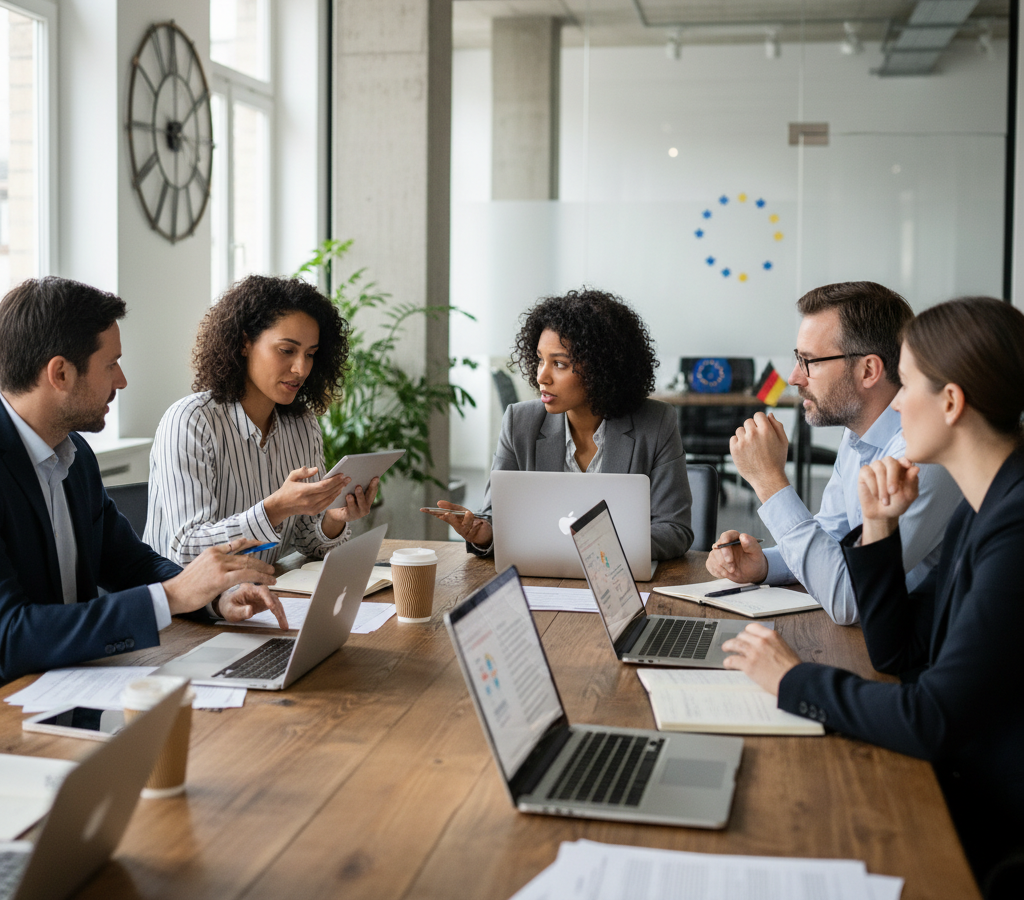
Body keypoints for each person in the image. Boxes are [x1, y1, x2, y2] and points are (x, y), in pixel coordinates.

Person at [721, 296, 1024, 889]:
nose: (897, 403)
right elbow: (900, 651)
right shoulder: (982, 504)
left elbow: (932, 716)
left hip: (989, 819)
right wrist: (880, 530)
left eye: (906, 384)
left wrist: (793, 681)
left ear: (952, 403)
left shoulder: (1013, 528)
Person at [0, 277, 286, 684]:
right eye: (111, 364)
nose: (121, 381)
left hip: (75, 686)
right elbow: (9, 636)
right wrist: (172, 596)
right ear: (60, 373)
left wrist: (214, 597)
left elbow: (131, 564)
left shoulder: (74, 455)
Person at [707, 281, 962, 624]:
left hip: (920, 651)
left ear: (868, 370)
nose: (795, 377)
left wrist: (770, 482)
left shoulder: (922, 456)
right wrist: (765, 564)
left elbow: (850, 599)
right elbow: (832, 538)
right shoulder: (858, 435)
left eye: (809, 361)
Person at [426, 288, 693, 561]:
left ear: (602, 368)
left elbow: (674, 530)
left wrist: (589, 548)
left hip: (621, 581)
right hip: (540, 579)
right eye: (540, 360)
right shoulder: (520, 422)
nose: (542, 376)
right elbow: (495, 515)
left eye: (559, 364)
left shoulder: (656, 423)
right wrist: (485, 533)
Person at [145, 275, 376, 567]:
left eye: (310, 354)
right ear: (244, 343)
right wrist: (275, 509)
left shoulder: (302, 425)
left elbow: (308, 540)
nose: (301, 368)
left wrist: (334, 517)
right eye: (287, 350)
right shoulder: (191, 421)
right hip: (185, 606)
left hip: (261, 594)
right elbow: (187, 548)